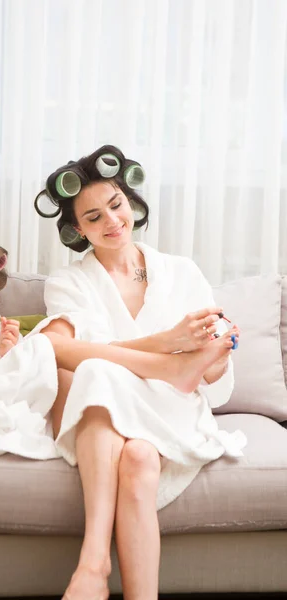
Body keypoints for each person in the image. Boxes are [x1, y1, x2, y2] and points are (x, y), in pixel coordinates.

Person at [34, 145, 247, 600]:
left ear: (130, 202)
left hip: (172, 408)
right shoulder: (69, 282)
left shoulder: (180, 271)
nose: (112, 221)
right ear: (76, 230)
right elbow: (53, 348)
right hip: (109, 415)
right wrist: (163, 349)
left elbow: (212, 380)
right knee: (111, 403)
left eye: (116, 205)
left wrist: (218, 353)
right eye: (93, 218)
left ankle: (94, 565)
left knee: (98, 372)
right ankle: (102, 568)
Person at [0, 236, 232, 463]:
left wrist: (5, 347)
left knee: (48, 348)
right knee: (46, 343)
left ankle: (165, 365)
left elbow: (0, 368)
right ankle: (165, 364)